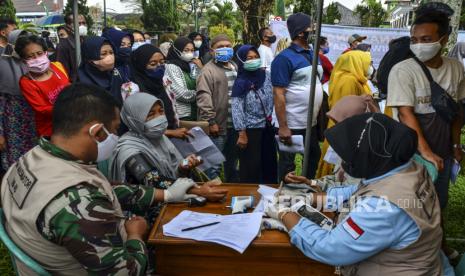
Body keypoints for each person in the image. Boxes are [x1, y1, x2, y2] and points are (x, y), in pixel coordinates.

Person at [0, 83, 201, 275]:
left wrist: (165, 194)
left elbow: (103, 189)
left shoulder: (30, 160)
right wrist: (135, 235)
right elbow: (125, 272)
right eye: (114, 131)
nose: (116, 136)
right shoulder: (75, 201)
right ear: (96, 132)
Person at [265, 113, 452, 276]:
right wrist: (308, 198)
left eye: (348, 155)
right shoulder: (407, 167)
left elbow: (331, 249)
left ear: (369, 156)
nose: (343, 160)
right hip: (424, 264)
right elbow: (358, 191)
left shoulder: (384, 208)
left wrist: (285, 214)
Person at [387, 9, 465, 263]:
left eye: (425, 39)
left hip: (442, 150)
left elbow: (457, 112)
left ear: (443, 40)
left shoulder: (455, 69)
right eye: (414, 39)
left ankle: (438, 246)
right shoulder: (403, 70)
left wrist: (455, 144)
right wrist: (425, 152)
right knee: (412, 203)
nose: (419, 44)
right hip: (411, 153)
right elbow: (406, 114)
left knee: (438, 202)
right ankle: (413, 253)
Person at [109, 93, 228, 220]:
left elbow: (171, 172)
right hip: (143, 217)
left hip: (172, 203)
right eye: (151, 115)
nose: (159, 118)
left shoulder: (160, 138)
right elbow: (154, 180)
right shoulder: (128, 149)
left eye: (161, 112)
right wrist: (197, 191)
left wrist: (182, 168)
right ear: (134, 119)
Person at [271, 12, 324, 180]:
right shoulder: (283, 59)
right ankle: (286, 197)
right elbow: (278, 94)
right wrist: (283, 126)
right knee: (288, 166)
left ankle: (305, 190)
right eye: (311, 28)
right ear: (301, 32)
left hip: (310, 122)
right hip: (291, 123)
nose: (314, 31)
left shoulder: (313, 54)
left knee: (313, 157)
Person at [316, 50, 372, 178]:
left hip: (344, 127)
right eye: (367, 63)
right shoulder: (348, 81)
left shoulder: (354, 79)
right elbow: (349, 112)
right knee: (337, 167)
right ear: (356, 63)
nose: (369, 67)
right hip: (345, 128)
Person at [197, 34, 240, 181]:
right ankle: (213, 192)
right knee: (213, 163)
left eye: (228, 46)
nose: (225, 49)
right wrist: (211, 121)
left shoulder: (234, 66)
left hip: (234, 125)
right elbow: (204, 97)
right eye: (220, 47)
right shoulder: (207, 71)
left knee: (232, 162)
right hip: (218, 126)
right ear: (211, 51)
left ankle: (232, 190)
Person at [231, 44, 277, 184]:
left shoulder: (266, 76)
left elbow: (273, 96)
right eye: (249, 58)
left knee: (269, 164)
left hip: (267, 127)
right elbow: (237, 108)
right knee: (252, 168)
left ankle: (269, 194)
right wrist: (242, 133)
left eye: (256, 57)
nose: (254, 60)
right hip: (250, 131)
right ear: (241, 60)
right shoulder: (240, 83)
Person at [130, 44, 189, 139]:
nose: (159, 66)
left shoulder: (164, 81)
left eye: (162, 62)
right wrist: (169, 132)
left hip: (172, 135)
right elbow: (135, 125)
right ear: (141, 65)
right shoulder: (132, 88)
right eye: (153, 64)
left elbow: (172, 107)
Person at [16, 35, 70, 137]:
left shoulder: (58, 66)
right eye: (30, 56)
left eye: (39, 53)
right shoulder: (26, 82)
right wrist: (69, 106)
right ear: (24, 61)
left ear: (46, 53)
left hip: (72, 121)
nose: (36, 59)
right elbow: (42, 109)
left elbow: (69, 87)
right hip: (51, 130)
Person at [0, 30, 37, 171]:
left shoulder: (34, 62)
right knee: (15, 164)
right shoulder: (2, 64)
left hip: (35, 122)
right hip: (13, 124)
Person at [78, 36, 125, 105]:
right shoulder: (82, 85)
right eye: (104, 54)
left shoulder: (115, 75)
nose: (110, 57)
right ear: (90, 57)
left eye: (111, 52)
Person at [165, 37, 201, 120]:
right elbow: (181, 94)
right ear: (176, 50)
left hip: (195, 111)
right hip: (182, 115)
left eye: (192, 50)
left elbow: (201, 82)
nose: (190, 53)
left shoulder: (191, 65)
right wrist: (202, 94)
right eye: (186, 50)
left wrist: (201, 68)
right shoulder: (171, 67)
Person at [56, 13, 87, 82]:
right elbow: (63, 69)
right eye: (79, 23)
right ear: (69, 25)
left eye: (84, 23)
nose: (82, 25)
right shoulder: (63, 44)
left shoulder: (83, 39)